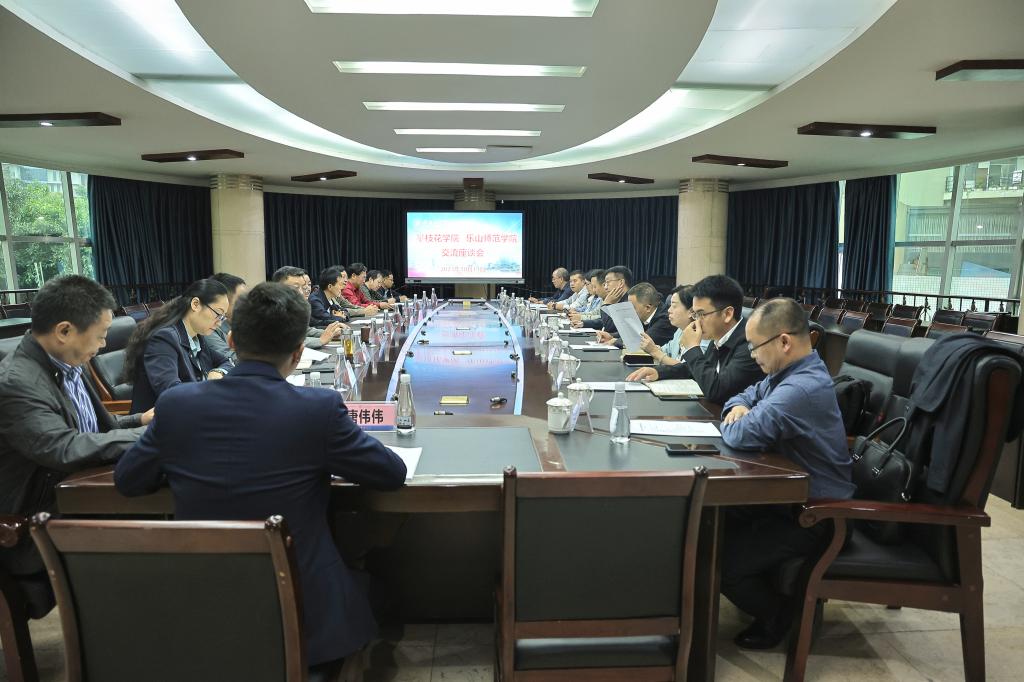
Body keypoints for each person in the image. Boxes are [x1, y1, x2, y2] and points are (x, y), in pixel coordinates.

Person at [113, 282, 407, 675]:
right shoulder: (318, 408)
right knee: (377, 584)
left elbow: (128, 480)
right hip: (304, 614)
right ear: (298, 353)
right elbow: (391, 473)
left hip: (198, 605)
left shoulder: (177, 405)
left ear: (231, 341)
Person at [0, 276, 152, 592]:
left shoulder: (68, 360)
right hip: (35, 521)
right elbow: (64, 447)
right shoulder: (17, 383)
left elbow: (93, 428)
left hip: (79, 491)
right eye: (101, 336)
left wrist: (142, 420)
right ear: (64, 331)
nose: (103, 346)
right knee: (156, 533)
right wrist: (152, 438)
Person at [717, 298, 854, 649]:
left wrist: (737, 417)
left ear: (783, 341)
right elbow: (743, 395)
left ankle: (781, 616)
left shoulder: (800, 389)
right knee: (711, 523)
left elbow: (740, 435)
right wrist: (741, 406)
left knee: (721, 562)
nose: (751, 355)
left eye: (754, 346)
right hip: (788, 498)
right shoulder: (788, 373)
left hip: (817, 515)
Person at [627, 275, 765, 405]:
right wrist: (659, 372)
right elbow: (692, 369)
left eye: (701, 314)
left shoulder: (749, 343)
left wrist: (693, 348)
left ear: (727, 314)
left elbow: (716, 391)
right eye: (696, 314)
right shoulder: (719, 335)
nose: (696, 321)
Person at [123, 279, 233, 414]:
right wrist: (209, 393)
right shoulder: (163, 339)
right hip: (161, 421)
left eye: (222, 317)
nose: (219, 323)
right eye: (218, 314)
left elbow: (227, 362)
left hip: (190, 414)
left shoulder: (197, 337)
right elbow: (172, 392)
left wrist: (218, 372)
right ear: (196, 304)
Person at [272, 266, 346, 347]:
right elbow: (286, 341)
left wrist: (331, 333)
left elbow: (304, 330)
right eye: (296, 288)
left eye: (303, 287)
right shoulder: (271, 310)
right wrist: (320, 340)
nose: (301, 292)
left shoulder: (294, 307)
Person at [637, 285, 709, 366]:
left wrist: (654, 351)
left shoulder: (704, 336)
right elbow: (666, 350)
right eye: (670, 306)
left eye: (674, 306)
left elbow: (689, 368)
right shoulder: (680, 330)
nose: (669, 310)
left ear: (692, 311)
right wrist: (651, 347)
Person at [595, 282, 675, 349]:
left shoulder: (665, 319)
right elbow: (633, 333)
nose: (629, 312)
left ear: (648, 307)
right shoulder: (644, 315)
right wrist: (611, 336)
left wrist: (615, 341)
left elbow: (640, 341)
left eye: (632, 307)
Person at [207, 272, 247, 365]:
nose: (249, 304)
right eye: (243, 300)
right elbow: (230, 359)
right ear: (224, 301)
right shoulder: (209, 328)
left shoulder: (243, 323)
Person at [579, 265, 631, 332]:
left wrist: (606, 303)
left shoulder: (629, 301)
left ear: (621, 283)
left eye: (608, 282)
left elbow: (608, 328)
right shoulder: (617, 299)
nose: (605, 287)